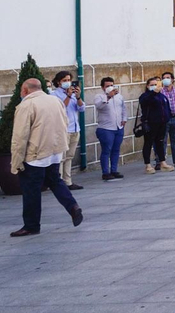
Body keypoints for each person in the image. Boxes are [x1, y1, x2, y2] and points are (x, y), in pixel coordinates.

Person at [8, 78, 83, 236]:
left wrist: (16, 162)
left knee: (31, 190)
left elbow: (20, 136)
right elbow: (64, 123)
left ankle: (31, 225)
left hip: (35, 154)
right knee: (55, 181)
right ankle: (73, 207)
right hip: (54, 151)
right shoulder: (55, 101)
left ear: (25, 90)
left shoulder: (26, 105)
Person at [50, 71, 85, 189]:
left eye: (69, 80)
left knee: (69, 156)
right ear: (58, 82)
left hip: (75, 128)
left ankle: (68, 181)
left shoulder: (73, 94)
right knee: (61, 157)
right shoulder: (55, 95)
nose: (67, 82)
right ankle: (59, 182)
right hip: (64, 130)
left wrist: (78, 96)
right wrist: (69, 96)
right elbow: (60, 109)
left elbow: (81, 108)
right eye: (64, 80)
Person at [92, 77, 127, 181]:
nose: (110, 87)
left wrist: (124, 119)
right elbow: (99, 106)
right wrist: (108, 97)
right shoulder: (99, 96)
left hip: (118, 126)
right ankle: (105, 172)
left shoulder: (119, 96)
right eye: (107, 86)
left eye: (111, 85)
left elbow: (123, 108)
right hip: (106, 128)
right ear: (103, 87)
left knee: (116, 149)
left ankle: (114, 170)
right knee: (106, 150)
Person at [137, 77, 172, 173]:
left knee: (160, 143)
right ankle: (148, 165)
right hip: (150, 123)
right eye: (151, 84)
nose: (154, 86)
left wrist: (167, 118)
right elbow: (145, 102)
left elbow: (166, 107)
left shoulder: (162, 96)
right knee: (148, 143)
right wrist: (153, 93)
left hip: (162, 123)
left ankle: (162, 163)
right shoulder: (145, 96)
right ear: (147, 86)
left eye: (156, 84)